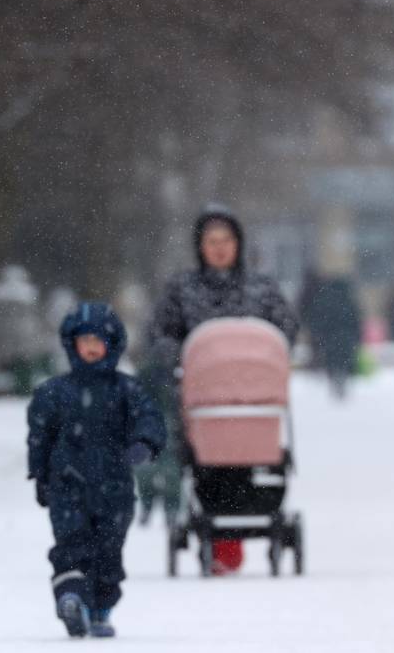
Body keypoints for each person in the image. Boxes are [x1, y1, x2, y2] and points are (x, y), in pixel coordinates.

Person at [146, 204, 299, 573]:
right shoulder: (182, 289)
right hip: (205, 398)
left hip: (255, 398)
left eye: (226, 240)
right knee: (208, 466)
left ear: (238, 243)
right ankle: (223, 542)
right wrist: (177, 355)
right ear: (200, 246)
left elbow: (285, 329)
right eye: (211, 241)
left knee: (249, 459)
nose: (219, 248)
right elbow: (160, 333)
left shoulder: (261, 289)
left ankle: (235, 537)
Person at [27, 302, 166, 638]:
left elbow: (149, 418)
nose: (90, 348)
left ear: (112, 345)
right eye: (84, 341)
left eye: (97, 341)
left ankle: (101, 608)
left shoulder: (126, 390)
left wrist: (144, 443)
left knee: (108, 550)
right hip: (67, 486)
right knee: (71, 545)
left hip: (114, 488)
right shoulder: (54, 393)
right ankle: (71, 597)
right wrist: (40, 476)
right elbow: (39, 436)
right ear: (72, 345)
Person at [299, 272, 362, 399]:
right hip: (346, 339)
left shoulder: (324, 299)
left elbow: (317, 319)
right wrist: (357, 337)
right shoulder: (349, 300)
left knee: (332, 361)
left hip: (330, 339)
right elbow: (356, 322)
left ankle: (335, 383)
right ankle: (342, 384)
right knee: (343, 361)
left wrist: (318, 335)